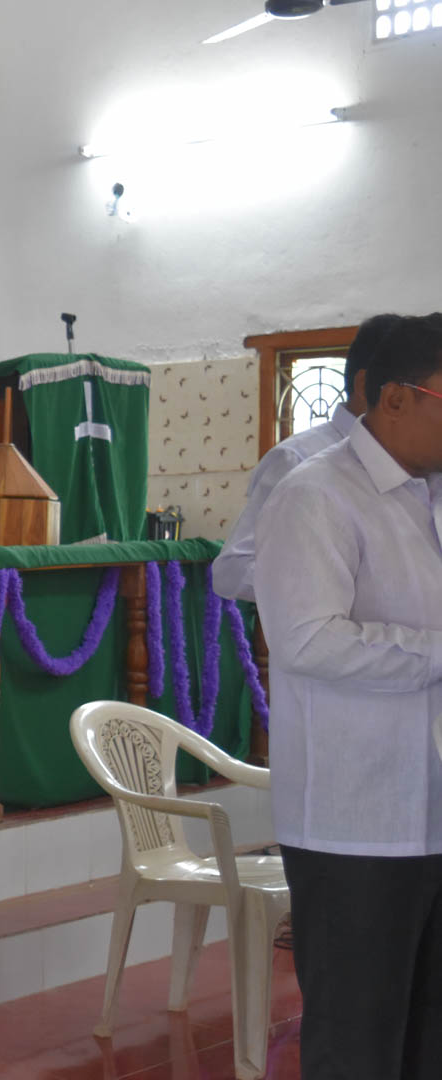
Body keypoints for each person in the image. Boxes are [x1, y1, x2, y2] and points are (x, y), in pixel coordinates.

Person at [254, 313, 442, 1079]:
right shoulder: (314, 494)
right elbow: (306, 639)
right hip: (355, 822)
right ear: (395, 398)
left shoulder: (429, 494)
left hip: (431, 806)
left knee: (427, 1040)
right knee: (357, 1043)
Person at [213, 313, 401, 602]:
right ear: (365, 386)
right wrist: (329, 590)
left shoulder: (417, 465)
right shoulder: (296, 459)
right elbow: (233, 570)